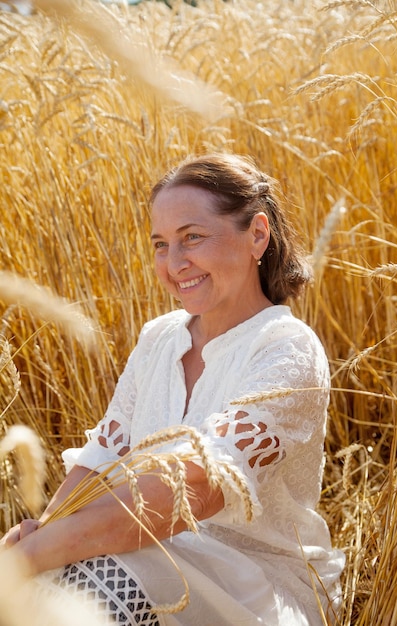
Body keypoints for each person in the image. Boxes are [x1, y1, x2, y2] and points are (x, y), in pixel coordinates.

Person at [0, 153, 345, 625]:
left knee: (96, 582)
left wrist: (37, 556)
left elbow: (186, 497)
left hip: (261, 587)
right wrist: (42, 535)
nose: (174, 263)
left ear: (257, 235)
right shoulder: (160, 337)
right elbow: (102, 460)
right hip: (149, 548)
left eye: (192, 238)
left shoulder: (287, 350)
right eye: (161, 244)